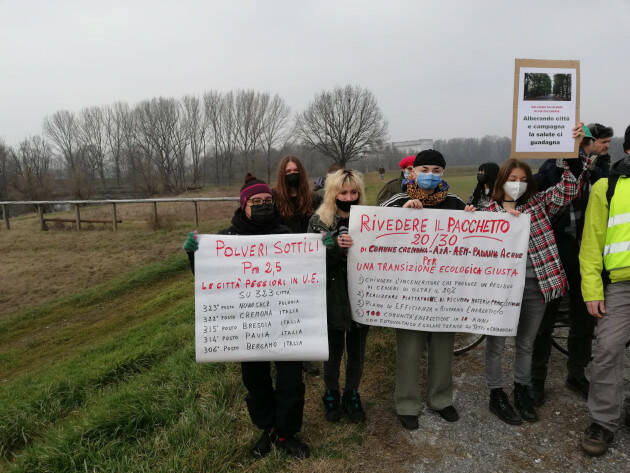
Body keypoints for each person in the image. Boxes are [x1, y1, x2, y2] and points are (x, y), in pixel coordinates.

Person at [183, 173, 310, 459]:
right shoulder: (227, 239)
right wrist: (194, 255)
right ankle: (267, 428)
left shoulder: (287, 237)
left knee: (291, 382)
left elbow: (308, 278)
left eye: (268, 200)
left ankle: (285, 432)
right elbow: (209, 281)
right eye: (256, 201)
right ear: (244, 205)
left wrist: (322, 252)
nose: (263, 205)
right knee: (256, 382)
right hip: (248, 325)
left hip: (286, 323)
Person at [481, 124, 591, 426]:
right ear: (501, 182)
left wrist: (575, 150)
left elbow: (570, 186)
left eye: (521, 180)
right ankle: (496, 393)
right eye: (511, 180)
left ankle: (522, 388)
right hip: (500, 291)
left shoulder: (539, 205)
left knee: (526, 342)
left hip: (536, 286)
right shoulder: (485, 214)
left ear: (528, 183)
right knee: (496, 342)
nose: (516, 184)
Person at [380, 149, 474, 430]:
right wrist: (401, 214)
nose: (430, 175)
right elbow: (374, 226)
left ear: (443, 173)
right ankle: (407, 403)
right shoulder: (397, 200)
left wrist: (473, 216)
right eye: (424, 170)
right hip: (408, 289)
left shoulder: (456, 203)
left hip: (445, 290)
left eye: (436, 170)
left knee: (444, 346)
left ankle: (441, 399)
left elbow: (475, 240)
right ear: (412, 172)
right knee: (409, 347)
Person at [530, 124, 612, 406]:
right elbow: (541, 196)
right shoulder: (550, 168)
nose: (605, 147)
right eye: (601, 142)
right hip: (556, 253)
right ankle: (536, 380)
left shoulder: (600, 172)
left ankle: (576, 373)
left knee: (584, 320)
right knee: (546, 319)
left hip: (588, 256)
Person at [578, 125, 630, 457]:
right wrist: (592, 290)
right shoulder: (606, 187)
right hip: (620, 286)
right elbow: (592, 244)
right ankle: (603, 420)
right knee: (608, 350)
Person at [307, 169, 370, 423]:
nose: (349, 196)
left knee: (357, 350)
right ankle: (331, 392)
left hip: (362, 292)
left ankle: (352, 393)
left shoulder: (369, 219)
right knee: (333, 351)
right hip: (332, 294)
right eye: (343, 192)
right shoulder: (318, 221)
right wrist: (333, 247)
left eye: (354, 192)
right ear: (333, 193)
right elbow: (308, 260)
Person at [273, 155, 322, 376]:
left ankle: (305, 354)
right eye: (287, 171)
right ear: (282, 175)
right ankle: (286, 353)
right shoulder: (274, 199)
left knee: (305, 310)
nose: (291, 174)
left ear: (301, 172)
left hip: (309, 264)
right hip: (282, 264)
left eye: (295, 170)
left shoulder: (313, 199)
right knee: (285, 310)